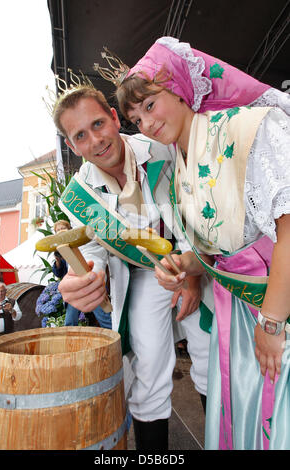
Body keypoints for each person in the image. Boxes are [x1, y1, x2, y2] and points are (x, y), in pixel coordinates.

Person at [114, 36, 290, 449]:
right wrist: (186, 264)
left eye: (150, 104)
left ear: (179, 86)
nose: (146, 123)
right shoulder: (179, 161)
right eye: (136, 119)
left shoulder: (249, 128)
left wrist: (272, 322)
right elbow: (223, 248)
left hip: (275, 302)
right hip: (236, 314)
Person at [50, 75, 212, 449]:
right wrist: (88, 279)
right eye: (80, 136)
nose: (96, 140)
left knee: (207, 351)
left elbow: (195, 201)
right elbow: (92, 252)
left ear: (113, 116)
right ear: (71, 145)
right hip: (141, 276)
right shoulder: (80, 194)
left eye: (98, 124)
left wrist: (191, 271)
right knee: (149, 371)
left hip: (192, 261)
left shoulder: (161, 146)